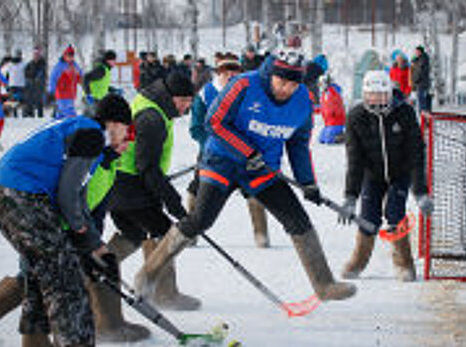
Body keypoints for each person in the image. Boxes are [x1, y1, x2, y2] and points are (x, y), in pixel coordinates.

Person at [134, 47, 357, 303]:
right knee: (200, 220)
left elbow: (298, 143)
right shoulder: (244, 85)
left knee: (297, 219)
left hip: (262, 168)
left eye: (292, 84)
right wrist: (248, 152)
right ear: (272, 73)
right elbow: (214, 122)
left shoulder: (303, 102)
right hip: (223, 160)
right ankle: (149, 273)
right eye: (281, 81)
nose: (285, 89)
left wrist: (308, 182)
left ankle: (324, 284)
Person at [0, 94, 136, 347]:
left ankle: (35, 344)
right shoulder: (93, 135)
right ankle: (77, 345)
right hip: (21, 194)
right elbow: (67, 196)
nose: (126, 137)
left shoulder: (79, 129)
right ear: (115, 123)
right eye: (126, 129)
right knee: (66, 279)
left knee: (40, 271)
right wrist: (80, 234)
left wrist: (94, 245)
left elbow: (77, 198)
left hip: (4, 190)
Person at [108, 72, 201, 310]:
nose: (187, 106)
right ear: (170, 96)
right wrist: (173, 201)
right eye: (184, 101)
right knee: (167, 233)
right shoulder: (152, 118)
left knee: (134, 234)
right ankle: (165, 294)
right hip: (130, 187)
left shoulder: (150, 102)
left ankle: (96, 271)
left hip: (121, 183)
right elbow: (146, 166)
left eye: (190, 101)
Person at [339, 70, 434, 282]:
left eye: (382, 94)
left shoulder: (405, 113)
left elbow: (416, 154)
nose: (377, 99)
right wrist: (350, 196)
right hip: (372, 174)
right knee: (368, 218)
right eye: (372, 95)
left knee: (394, 212)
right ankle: (358, 262)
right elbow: (355, 160)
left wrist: (420, 192)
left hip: (400, 172)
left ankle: (404, 264)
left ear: (390, 93)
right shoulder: (356, 117)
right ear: (364, 95)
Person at [188, 52, 270, 248]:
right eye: (225, 72)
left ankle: (261, 234)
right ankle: (190, 233)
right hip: (212, 154)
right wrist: (214, 144)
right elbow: (196, 127)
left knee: (255, 190)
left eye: (234, 71)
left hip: (244, 153)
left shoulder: (248, 92)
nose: (230, 76)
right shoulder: (206, 94)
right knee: (197, 189)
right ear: (218, 73)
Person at [48, 44, 83, 119]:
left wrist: (85, 84)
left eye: (72, 56)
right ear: (64, 55)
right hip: (62, 94)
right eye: (68, 56)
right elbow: (53, 78)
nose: (70, 58)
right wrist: (51, 91)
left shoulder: (74, 65)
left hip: (71, 95)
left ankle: (58, 127)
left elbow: (79, 77)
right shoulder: (60, 66)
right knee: (71, 116)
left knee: (61, 116)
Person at [24, 47, 47, 118]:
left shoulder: (42, 63)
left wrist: (37, 77)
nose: (36, 56)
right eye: (35, 54)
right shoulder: (30, 63)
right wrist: (30, 76)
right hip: (31, 84)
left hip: (39, 84)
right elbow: (26, 72)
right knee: (29, 98)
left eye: (37, 54)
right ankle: (30, 113)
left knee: (39, 99)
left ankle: (40, 114)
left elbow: (42, 72)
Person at [410, 45, 431, 114]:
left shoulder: (423, 60)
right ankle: (424, 111)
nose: (416, 53)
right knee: (421, 98)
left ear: (420, 52)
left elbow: (420, 72)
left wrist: (414, 79)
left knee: (421, 98)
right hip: (420, 82)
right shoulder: (419, 59)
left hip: (422, 82)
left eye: (417, 51)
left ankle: (423, 112)